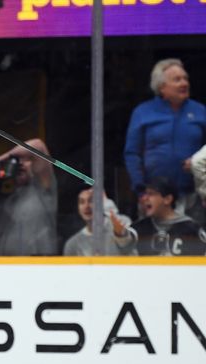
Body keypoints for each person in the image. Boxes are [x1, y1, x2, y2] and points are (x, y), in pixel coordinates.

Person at [124, 59, 206, 222]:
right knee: (153, 245)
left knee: (194, 245)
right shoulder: (143, 112)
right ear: (161, 87)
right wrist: (141, 191)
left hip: (193, 197)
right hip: (155, 198)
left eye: (185, 78)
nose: (184, 83)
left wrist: (199, 161)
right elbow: (132, 154)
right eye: (177, 80)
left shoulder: (200, 111)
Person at [0, 138, 57, 255]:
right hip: (7, 267)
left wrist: (4, 157)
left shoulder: (43, 188)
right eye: (17, 162)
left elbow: (38, 146)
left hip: (40, 267)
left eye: (26, 159)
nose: (21, 164)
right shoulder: (1, 198)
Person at [120, 176, 206, 256]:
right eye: (144, 194)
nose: (144, 198)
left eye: (151, 194)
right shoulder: (137, 229)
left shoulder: (192, 229)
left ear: (167, 199)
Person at [63, 187, 134, 256]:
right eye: (82, 202)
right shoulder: (72, 245)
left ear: (102, 203)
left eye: (91, 201)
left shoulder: (123, 223)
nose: (86, 206)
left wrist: (109, 207)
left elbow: (123, 229)